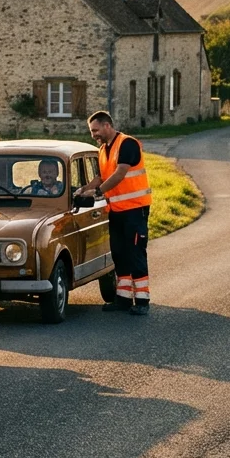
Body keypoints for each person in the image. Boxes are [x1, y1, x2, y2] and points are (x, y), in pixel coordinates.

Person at [74, 110, 151, 314]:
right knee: (119, 254)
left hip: (135, 210)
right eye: (92, 131)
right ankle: (123, 299)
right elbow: (101, 176)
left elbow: (120, 173)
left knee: (135, 254)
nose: (93, 135)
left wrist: (98, 192)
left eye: (95, 130)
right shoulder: (102, 150)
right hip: (116, 211)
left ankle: (142, 301)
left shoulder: (127, 144)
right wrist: (82, 189)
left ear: (107, 125)